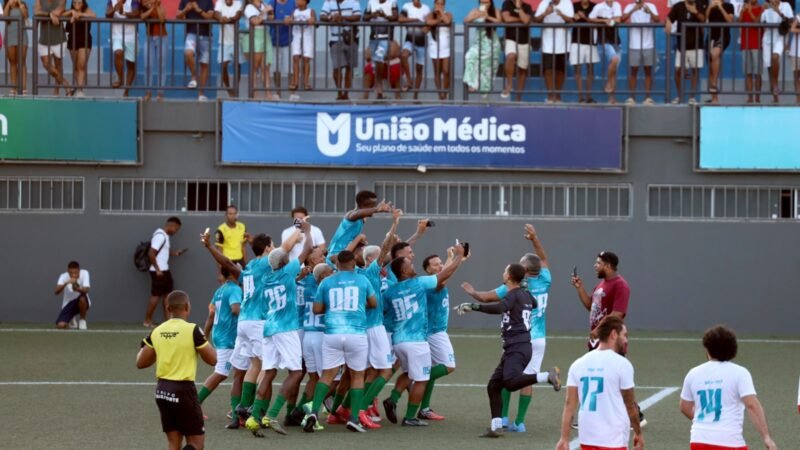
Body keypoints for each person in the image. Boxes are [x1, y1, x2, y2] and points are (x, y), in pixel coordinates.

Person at [201, 228, 302, 428]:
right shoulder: (266, 263)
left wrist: (209, 246)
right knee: (267, 368)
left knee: (249, 368)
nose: (275, 248)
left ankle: (239, 411)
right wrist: (298, 230)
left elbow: (228, 264)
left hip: (243, 323)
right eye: (272, 245)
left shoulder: (248, 268)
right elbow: (286, 248)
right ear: (266, 249)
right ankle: (256, 412)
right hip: (257, 322)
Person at [461, 224, 553, 433]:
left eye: (520, 264)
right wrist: (534, 238)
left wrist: (472, 293)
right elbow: (544, 259)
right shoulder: (545, 279)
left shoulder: (513, 288)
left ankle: (502, 418)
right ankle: (519, 422)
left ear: (524, 271)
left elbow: (488, 299)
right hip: (539, 338)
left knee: (508, 377)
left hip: (520, 337)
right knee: (525, 378)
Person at [383, 244, 466, 427]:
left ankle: (394, 398)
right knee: (426, 375)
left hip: (398, 339)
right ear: (405, 270)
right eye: (409, 263)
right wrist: (458, 257)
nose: (412, 264)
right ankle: (411, 416)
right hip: (422, 337)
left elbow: (384, 311)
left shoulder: (390, 291)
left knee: (409, 372)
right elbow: (442, 277)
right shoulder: (421, 283)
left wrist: (453, 260)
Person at [244, 225, 313, 437]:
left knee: (269, 372)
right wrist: (308, 232)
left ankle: (254, 417)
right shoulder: (288, 271)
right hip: (286, 328)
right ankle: (272, 414)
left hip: (269, 328)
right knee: (296, 372)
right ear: (284, 263)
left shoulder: (266, 278)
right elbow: (307, 249)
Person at [302, 250, 378, 433]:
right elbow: (373, 303)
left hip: (332, 334)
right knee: (357, 376)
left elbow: (317, 309)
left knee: (327, 375)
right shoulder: (362, 280)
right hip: (356, 333)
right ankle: (353, 419)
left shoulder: (327, 281)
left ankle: (313, 413)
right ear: (353, 262)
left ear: (337, 264)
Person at [136, 291, 217, 450]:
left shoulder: (157, 331)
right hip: (183, 391)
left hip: (162, 391)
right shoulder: (192, 330)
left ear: (167, 308)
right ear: (187, 307)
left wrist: (155, 348)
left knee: (174, 443)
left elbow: (140, 362)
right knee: (196, 444)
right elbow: (213, 359)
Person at [679, 325, 778, 450]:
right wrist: (766, 437)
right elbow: (752, 405)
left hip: (698, 440)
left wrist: (705, 422)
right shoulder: (740, 373)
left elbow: (685, 407)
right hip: (729, 441)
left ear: (708, 349)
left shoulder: (693, 373)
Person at [555, 316, 643, 450]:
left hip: (587, 437)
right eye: (624, 335)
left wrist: (564, 438)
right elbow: (630, 405)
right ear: (613, 334)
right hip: (614, 440)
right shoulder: (623, 365)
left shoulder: (578, 364)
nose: (626, 340)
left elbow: (569, 404)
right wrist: (638, 433)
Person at [197, 266, 242, 410]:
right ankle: (195, 404)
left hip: (220, 335)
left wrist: (205, 335)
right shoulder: (235, 289)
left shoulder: (220, 290)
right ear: (232, 273)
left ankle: (239, 409)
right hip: (228, 338)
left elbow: (211, 314)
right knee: (222, 372)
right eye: (238, 268)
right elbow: (235, 309)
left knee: (242, 372)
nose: (241, 270)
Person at [144, 217, 185, 328]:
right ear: (171, 225)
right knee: (156, 296)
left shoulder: (165, 236)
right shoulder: (160, 236)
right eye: (176, 229)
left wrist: (175, 253)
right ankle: (147, 321)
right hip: (159, 271)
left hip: (164, 270)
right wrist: (157, 269)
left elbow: (162, 252)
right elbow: (151, 253)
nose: (176, 232)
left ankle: (168, 321)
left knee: (168, 296)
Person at [327, 190, 391, 258]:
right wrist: (376, 209)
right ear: (362, 205)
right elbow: (357, 213)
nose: (374, 207)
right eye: (372, 206)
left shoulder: (362, 219)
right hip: (335, 256)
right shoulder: (350, 215)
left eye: (375, 205)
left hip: (344, 256)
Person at [666, 0, 706, 104]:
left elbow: (704, 20)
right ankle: (680, 96)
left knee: (695, 70)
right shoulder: (678, 6)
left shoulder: (700, 4)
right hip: (682, 45)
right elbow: (669, 17)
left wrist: (695, 12)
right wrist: (668, 23)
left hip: (696, 44)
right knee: (678, 71)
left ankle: (692, 97)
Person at [534, 0, 574, 103]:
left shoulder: (567, 3)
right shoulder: (544, 3)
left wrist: (561, 14)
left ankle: (558, 95)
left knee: (560, 70)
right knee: (548, 69)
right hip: (547, 42)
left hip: (563, 43)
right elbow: (536, 20)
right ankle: (550, 96)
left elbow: (571, 20)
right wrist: (545, 13)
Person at [320, 0, 361, 101]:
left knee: (349, 67)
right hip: (335, 39)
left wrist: (342, 18)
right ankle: (339, 92)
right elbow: (321, 16)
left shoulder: (353, 1)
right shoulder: (328, 2)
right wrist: (331, 17)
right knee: (336, 67)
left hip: (351, 38)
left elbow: (357, 16)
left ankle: (346, 94)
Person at [622, 0, 659, 105]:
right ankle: (632, 98)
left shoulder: (651, 5)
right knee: (634, 70)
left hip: (648, 43)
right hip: (634, 44)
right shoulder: (629, 6)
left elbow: (657, 20)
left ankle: (647, 98)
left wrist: (650, 12)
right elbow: (622, 19)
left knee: (648, 70)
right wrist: (633, 10)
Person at [463, 0, 501, 97]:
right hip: (479, 42)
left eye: (487, 2)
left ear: (491, 3)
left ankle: (485, 97)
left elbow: (499, 21)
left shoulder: (495, 10)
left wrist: (487, 16)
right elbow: (466, 20)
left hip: (492, 43)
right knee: (469, 56)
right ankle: (472, 83)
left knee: (487, 70)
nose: (485, 4)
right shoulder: (475, 11)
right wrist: (476, 16)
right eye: (482, 2)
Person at [177, 0, 214, 101]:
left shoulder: (208, 1)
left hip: (206, 35)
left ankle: (201, 94)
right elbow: (178, 16)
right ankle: (194, 76)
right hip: (191, 33)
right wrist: (186, 9)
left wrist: (198, 10)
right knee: (188, 53)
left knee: (204, 64)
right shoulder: (185, 1)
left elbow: (210, 17)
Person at [588, 0, 622, 104]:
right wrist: (603, 21)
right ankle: (608, 84)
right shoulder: (599, 7)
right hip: (604, 39)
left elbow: (618, 19)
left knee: (614, 69)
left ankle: (612, 98)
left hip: (616, 39)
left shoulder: (616, 5)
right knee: (614, 60)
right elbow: (590, 19)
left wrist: (611, 20)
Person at [243, 0, 278, 99]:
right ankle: (255, 94)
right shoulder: (249, 7)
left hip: (265, 35)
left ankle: (268, 94)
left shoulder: (263, 6)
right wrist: (265, 11)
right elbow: (255, 21)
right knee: (255, 67)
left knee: (266, 67)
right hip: (254, 36)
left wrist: (271, 12)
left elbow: (271, 19)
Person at [761, 0, 794, 103]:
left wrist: (778, 12)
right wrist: (764, 10)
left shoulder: (786, 6)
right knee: (769, 66)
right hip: (767, 39)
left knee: (775, 57)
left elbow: (791, 22)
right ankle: (775, 96)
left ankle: (775, 85)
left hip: (780, 37)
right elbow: (761, 23)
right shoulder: (767, 8)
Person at [365, 0, 398, 99]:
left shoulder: (393, 2)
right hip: (373, 38)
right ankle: (379, 90)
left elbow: (395, 17)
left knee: (379, 58)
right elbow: (364, 17)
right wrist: (372, 15)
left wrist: (384, 16)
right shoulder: (371, 2)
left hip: (385, 38)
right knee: (374, 61)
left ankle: (379, 86)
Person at [105, 0, 139, 97]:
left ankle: (126, 90)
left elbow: (137, 13)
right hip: (117, 35)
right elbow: (107, 14)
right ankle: (120, 78)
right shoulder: (112, 1)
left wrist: (123, 12)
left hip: (131, 36)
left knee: (131, 64)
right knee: (118, 53)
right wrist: (114, 9)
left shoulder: (133, 1)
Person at [36, 0, 69, 95]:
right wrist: (49, 14)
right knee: (46, 64)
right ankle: (65, 84)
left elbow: (59, 11)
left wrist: (47, 14)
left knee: (58, 66)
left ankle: (56, 90)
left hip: (59, 38)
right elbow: (36, 12)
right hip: (44, 38)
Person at [501, 0, 532, 101]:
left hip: (524, 40)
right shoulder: (507, 3)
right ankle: (509, 84)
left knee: (522, 69)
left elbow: (526, 20)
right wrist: (520, 20)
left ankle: (518, 97)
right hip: (510, 38)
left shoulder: (527, 7)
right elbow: (506, 19)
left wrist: (519, 9)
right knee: (511, 56)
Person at [398, 0, 429, 99]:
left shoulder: (426, 8)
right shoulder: (406, 6)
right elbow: (400, 19)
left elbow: (429, 23)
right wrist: (414, 20)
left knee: (419, 69)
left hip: (422, 42)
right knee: (403, 55)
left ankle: (415, 95)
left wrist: (426, 28)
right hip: (410, 40)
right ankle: (409, 80)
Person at [705, 0, 734, 104]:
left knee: (715, 54)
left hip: (723, 35)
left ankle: (714, 84)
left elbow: (730, 21)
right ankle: (714, 98)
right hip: (711, 36)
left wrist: (721, 7)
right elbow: (705, 20)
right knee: (711, 66)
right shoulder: (710, 6)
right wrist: (709, 8)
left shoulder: (729, 6)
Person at [63, 0, 94, 97]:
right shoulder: (69, 11)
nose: (77, 4)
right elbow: (62, 15)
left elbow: (93, 15)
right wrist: (72, 13)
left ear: (83, 2)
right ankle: (79, 87)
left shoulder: (87, 10)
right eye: (74, 2)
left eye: (79, 2)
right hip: (72, 40)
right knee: (76, 66)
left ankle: (80, 90)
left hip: (84, 40)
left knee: (81, 65)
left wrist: (79, 15)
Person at [571, 0, 598, 103]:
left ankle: (588, 96)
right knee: (577, 69)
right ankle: (580, 97)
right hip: (576, 40)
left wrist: (585, 18)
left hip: (591, 41)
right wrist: (574, 18)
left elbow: (596, 21)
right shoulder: (574, 6)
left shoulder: (594, 7)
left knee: (590, 69)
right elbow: (569, 21)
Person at [215, 0, 243, 97]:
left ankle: (235, 87)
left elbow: (238, 16)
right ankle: (228, 89)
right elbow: (216, 14)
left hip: (236, 41)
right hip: (223, 42)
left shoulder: (238, 3)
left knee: (237, 66)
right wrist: (220, 18)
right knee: (223, 66)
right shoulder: (219, 3)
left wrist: (228, 20)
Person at [141, 0, 168, 101]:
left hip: (162, 37)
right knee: (147, 65)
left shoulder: (160, 6)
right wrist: (151, 7)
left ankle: (160, 93)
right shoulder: (143, 5)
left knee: (162, 66)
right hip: (149, 38)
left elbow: (162, 19)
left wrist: (156, 6)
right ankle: (148, 92)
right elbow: (142, 17)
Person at [286, 0, 315, 92]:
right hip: (296, 36)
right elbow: (288, 20)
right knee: (295, 58)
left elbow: (314, 20)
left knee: (306, 59)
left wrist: (312, 20)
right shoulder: (294, 11)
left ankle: (306, 82)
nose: (297, 1)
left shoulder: (310, 11)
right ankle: (295, 81)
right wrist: (288, 20)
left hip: (307, 36)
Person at [54, 261, 91, 330]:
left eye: (75, 273)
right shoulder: (63, 276)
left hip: (82, 302)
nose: (73, 275)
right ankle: (71, 319)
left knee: (82, 298)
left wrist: (77, 288)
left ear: (79, 270)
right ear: (68, 271)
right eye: (71, 273)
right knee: (60, 325)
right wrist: (66, 283)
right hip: (68, 304)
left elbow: (86, 290)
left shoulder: (85, 273)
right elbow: (56, 292)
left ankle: (82, 321)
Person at [739, 0, 763, 103]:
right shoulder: (744, 9)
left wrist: (749, 11)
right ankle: (750, 97)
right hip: (746, 44)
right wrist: (742, 12)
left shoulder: (761, 9)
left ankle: (757, 97)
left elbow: (756, 22)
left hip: (757, 44)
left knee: (757, 73)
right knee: (748, 72)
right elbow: (739, 23)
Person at [426, 0, 451, 100]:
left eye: (441, 4)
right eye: (437, 3)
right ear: (434, 4)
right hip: (434, 46)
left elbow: (448, 21)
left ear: (444, 5)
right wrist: (438, 21)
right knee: (437, 71)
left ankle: (445, 92)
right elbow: (428, 22)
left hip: (445, 47)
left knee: (446, 71)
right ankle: (440, 93)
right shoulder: (430, 14)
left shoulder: (448, 13)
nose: (439, 5)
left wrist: (440, 13)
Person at [215, 205, 248, 281]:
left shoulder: (242, 226)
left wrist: (245, 264)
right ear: (226, 215)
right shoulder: (221, 230)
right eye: (230, 214)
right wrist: (220, 273)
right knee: (228, 285)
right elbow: (219, 251)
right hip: (227, 262)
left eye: (235, 213)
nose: (233, 216)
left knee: (242, 285)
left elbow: (243, 246)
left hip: (239, 261)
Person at [4, 0, 29, 95]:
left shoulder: (22, 5)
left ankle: (23, 87)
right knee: (12, 62)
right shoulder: (6, 6)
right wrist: (8, 5)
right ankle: (13, 87)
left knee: (22, 61)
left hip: (22, 36)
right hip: (10, 36)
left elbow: (26, 16)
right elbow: (6, 18)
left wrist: (20, 4)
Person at [270, 0, 296, 93]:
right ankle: (278, 92)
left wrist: (292, 19)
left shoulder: (293, 3)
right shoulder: (272, 3)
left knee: (290, 69)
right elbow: (269, 17)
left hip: (289, 41)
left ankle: (292, 93)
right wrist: (272, 18)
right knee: (276, 69)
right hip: (275, 41)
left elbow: (298, 15)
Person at [791, 13, 800, 104]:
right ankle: (798, 99)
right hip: (796, 51)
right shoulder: (798, 17)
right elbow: (792, 29)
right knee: (796, 76)